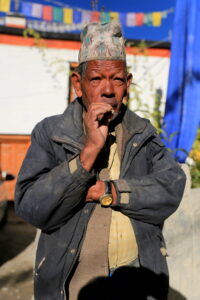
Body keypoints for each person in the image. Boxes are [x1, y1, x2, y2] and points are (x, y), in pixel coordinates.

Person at [15, 22, 186, 300]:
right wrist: (88, 153)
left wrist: (110, 192)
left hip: (135, 277)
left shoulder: (142, 131)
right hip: (73, 281)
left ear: (127, 84)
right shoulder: (51, 132)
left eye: (116, 79)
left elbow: (171, 187)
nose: (107, 90)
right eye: (96, 79)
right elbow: (31, 207)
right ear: (77, 84)